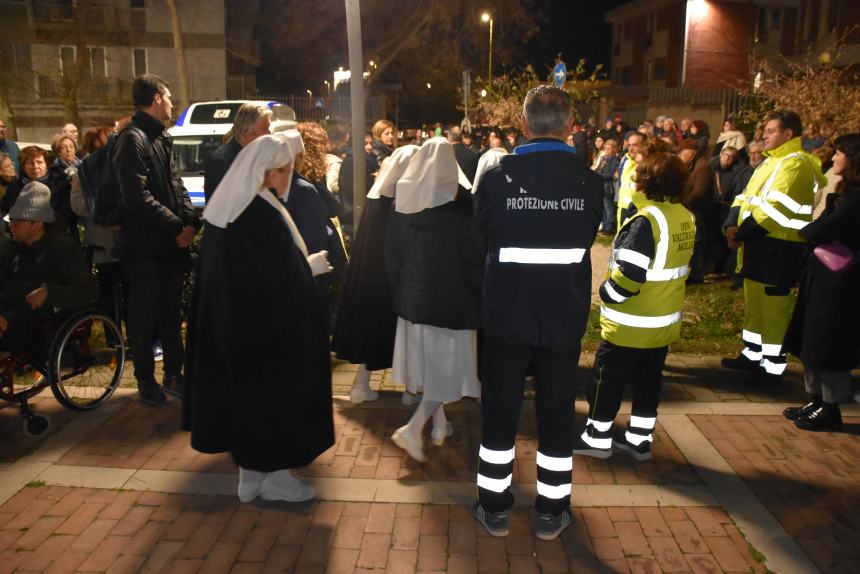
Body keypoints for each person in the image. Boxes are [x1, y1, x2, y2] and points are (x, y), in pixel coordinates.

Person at [473, 86, 603, 541]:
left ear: (524, 126)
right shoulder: (590, 182)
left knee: (500, 410)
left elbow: (485, 237)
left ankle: (493, 506)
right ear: (570, 127)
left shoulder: (494, 179)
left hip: (507, 317)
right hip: (562, 320)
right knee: (556, 413)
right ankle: (552, 510)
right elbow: (587, 236)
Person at [184, 132, 334, 503]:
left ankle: (251, 477)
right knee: (275, 401)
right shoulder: (257, 213)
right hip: (268, 332)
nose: (289, 177)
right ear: (266, 174)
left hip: (242, 331)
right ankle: (278, 477)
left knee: (251, 405)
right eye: (284, 170)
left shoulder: (237, 206)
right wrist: (307, 269)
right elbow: (274, 276)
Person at [574, 152, 695, 460]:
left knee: (606, 382)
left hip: (631, 323)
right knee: (648, 383)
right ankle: (640, 439)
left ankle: (597, 437)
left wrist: (607, 293)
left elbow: (630, 273)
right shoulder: (683, 216)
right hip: (662, 323)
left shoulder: (646, 219)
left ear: (648, 181)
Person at [386, 137, 484, 461]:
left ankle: (439, 427)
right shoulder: (463, 205)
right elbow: (473, 257)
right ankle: (413, 429)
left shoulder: (403, 201)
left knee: (431, 371)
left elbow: (392, 255)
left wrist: (399, 290)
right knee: (446, 372)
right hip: (451, 301)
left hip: (413, 300)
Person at [114, 74, 200, 406]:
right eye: (168, 96)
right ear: (155, 99)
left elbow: (177, 186)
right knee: (144, 316)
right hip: (146, 249)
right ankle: (146, 379)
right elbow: (136, 198)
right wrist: (177, 226)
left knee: (170, 314)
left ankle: (174, 374)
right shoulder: (132, 140)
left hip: (169, 247)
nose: (172, 102)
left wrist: (190, 222)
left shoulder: (162, 138)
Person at [722, 110, 826, 382]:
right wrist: (731, 225)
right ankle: (752, 354)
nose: (764, 136)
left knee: (773, 308)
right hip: (757, 243)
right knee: (754, 303)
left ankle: (773, 365)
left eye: (770, 131)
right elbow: (743, 197)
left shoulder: (796, 164)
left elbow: (776, 211)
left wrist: (741, 234)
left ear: (788, 134)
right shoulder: (770, 163)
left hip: (780, 247)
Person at [782, 134, 860, 431]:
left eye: (840, 153)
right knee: (811, 340)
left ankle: (831, 407)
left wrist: (815, 228)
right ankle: (814, 399)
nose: (835, 157)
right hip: (821, 276)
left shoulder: (856, 198)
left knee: (829, 343)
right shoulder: (842, 191)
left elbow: (820, 228)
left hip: (841, 282)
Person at [333, 145, 420, 404]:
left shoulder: (376, 196)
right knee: (403, 335)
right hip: (396, 279)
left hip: (372, 278)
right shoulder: (403, 199)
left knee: (372, 332)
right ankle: (410, 389)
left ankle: (362, 385)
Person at [0, 182, 95, 354]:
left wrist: (49, 292)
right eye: (11, 221)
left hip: (44, 320)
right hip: (12, 308)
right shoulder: (14, 248)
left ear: (37, 223)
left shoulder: (63, 248)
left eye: (17, 222)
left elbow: (83, 292)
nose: (11, 226)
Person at [203, 103, 273, 202]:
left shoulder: (259, 157)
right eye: (266, 129)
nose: (270, 134)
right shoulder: (221, 162)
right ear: (248, 131)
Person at [678, 138, 714, 284]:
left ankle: (696, 275)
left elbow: (699, 192)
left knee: (697, 244)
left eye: (682, 152)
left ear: (691, 153)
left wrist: (682, 205)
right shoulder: (689, 166)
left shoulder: (702, 168)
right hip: (689, 212)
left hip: (698, 213)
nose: (679, 155)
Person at [0, 146, 50, 217]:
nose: (35, 166)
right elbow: (4, 210)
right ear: (23, 167)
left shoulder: (58, 184)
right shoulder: (14, 186)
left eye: (39, 162)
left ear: (46, 166)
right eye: (30, 163)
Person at [616, 131, 645, 230]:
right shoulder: (626, 161)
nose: (631, 148)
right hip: (622, 208)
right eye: (629, 145)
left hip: (637, 210)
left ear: (644, 146)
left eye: (635, 145)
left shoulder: (646, 165)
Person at [595, 139, 620, 235]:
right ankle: (604, 224)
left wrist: (600, 175)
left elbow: (610, 174)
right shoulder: (603, 158)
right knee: (603, 207)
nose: (606, 150)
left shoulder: (614, 160)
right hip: (601, 185)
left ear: (614, 149)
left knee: (608, 207)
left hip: (608, 186)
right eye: (605, 148)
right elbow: (597, 170)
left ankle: (609, 227)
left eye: (609, 148)